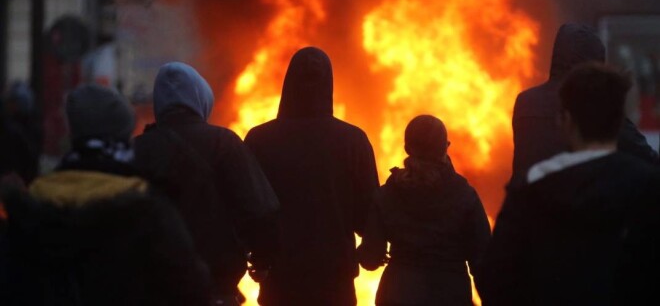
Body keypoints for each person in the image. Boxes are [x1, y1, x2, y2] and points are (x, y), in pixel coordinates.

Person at [0, 84, 209, 305]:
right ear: (124, 138)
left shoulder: (30, 205)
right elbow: (192, 289)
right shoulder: (150, 212)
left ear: (71, 135)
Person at [478, 63, 660, 305]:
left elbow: (493, 276)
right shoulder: (647, 187)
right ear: (620, 122)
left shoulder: (531, 188)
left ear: (565, 120)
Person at [133, 62, 279, 305]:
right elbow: (260, 210)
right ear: (200, 98)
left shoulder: (136, 150)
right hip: (215, 291)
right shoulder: (224, 144)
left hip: (151, 292)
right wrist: (263, 260)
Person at [245, 47, 379, 306]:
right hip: (335, 280)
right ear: (328, 83)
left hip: (279, 280)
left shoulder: (259, 140)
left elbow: (249, 212)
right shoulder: (353, 140)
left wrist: (258, 258)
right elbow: (368, 217)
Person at [358, 115, 491, 306]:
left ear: (407, 149)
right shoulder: (464, 195)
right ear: (446, 146)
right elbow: (483, 262)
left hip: (397, 295)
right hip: (450, 296)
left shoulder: (388, 194)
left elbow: (370, 258)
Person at [510, 23, 656, 186]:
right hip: (580, 206)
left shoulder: (526, 101)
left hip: (528, 205)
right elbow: (647, 158)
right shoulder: (595, 106)